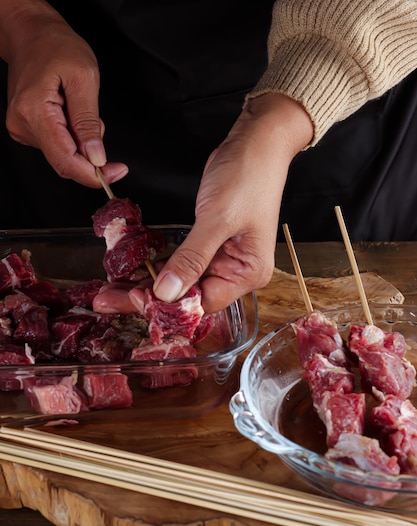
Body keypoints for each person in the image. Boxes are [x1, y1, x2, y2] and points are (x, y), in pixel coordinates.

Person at [0, 1, 417, 314]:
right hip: (65, 74)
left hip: (334, 84)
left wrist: (274, 127)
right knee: (45, 298)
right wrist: (22, 20)